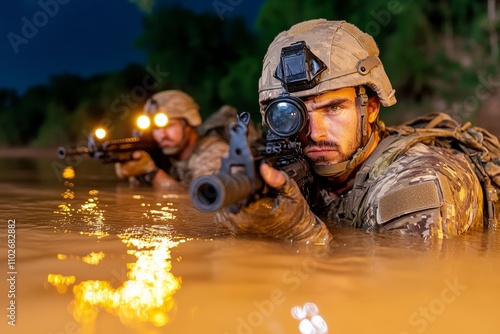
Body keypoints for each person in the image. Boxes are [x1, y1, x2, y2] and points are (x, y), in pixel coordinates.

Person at [215, 19, 495, 244]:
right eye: (293, 114)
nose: (315, 133)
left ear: (370, 108)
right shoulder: (297, 169)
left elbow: (403, 291)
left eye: (333, 108)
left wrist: (301, 234)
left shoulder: (419, 181)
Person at [115, 90, 230, 188]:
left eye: (170, 125)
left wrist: (152, 173)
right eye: (156, 128)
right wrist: (133, 172)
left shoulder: (215, 152)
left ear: (189, 124)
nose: (162, 134)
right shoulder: (164, 156)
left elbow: (201, 204)